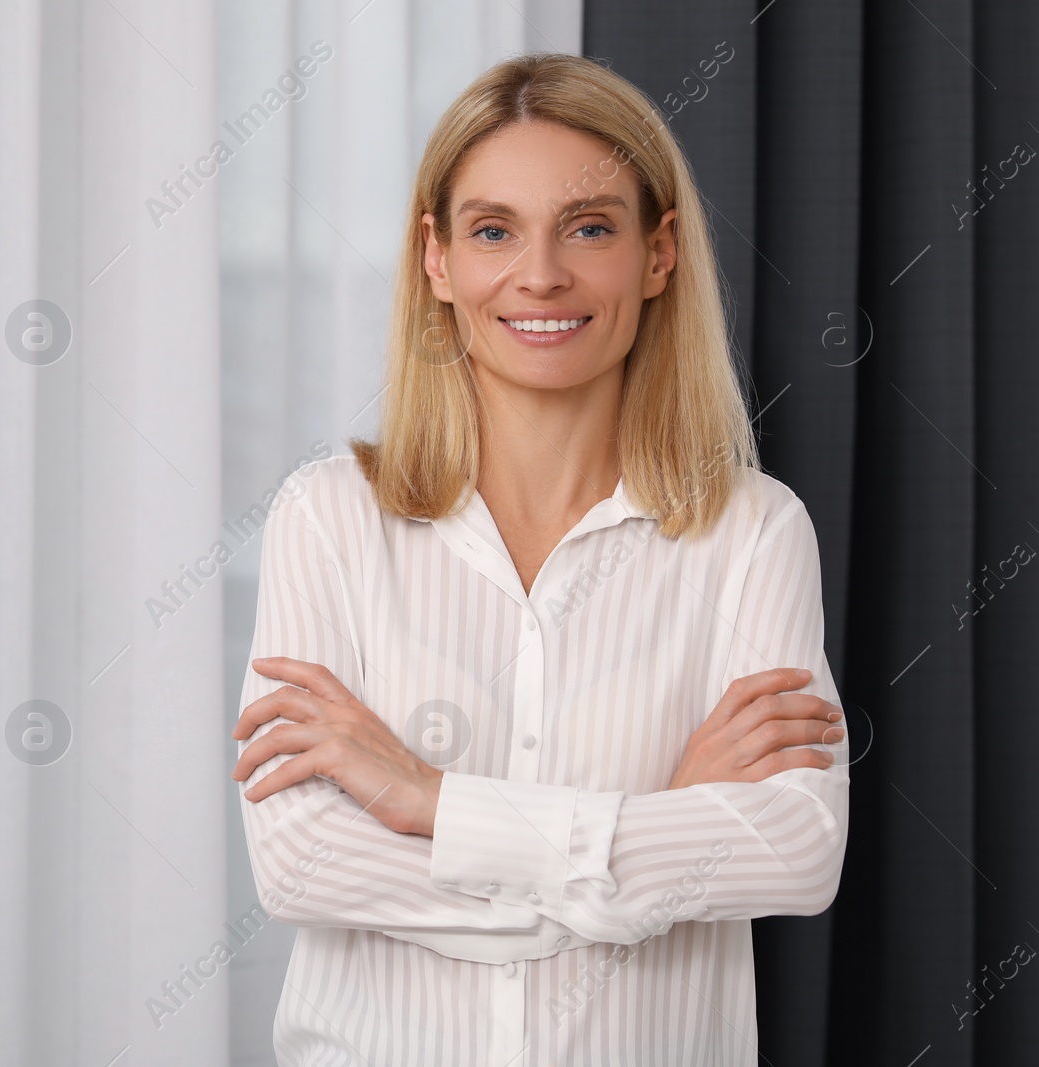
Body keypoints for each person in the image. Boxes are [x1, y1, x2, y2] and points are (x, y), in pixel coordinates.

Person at [230, 52, 849, 1066]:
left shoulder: (754, 529)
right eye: (492, 230)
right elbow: (301, 865)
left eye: (590, 227)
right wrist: (650, 838)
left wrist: (429, 802)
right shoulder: (326, 518)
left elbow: (791, 851)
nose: (541, 274)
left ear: (658, 254)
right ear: (436, 258)